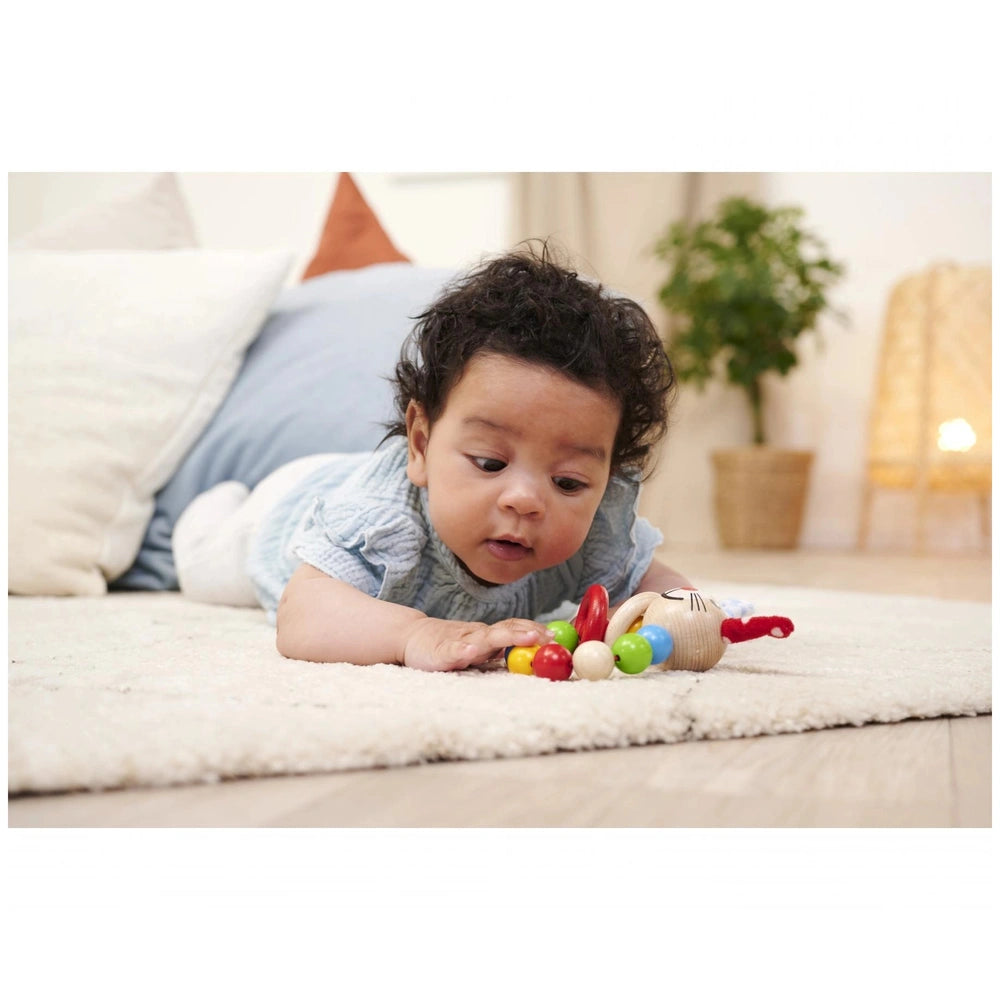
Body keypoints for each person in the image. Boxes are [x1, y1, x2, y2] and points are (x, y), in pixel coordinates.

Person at [172, 243, 692, 671]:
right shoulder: (382, 526)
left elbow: (659, 583)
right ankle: (215, 503)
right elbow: (302, 616)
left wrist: (680, 616)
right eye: (490, 463)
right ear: (420, 444)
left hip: (346, 477)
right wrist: (415, 634)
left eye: (570, 482)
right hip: (285, 509)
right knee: (204, 568)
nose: (525, 500)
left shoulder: (593, 536)